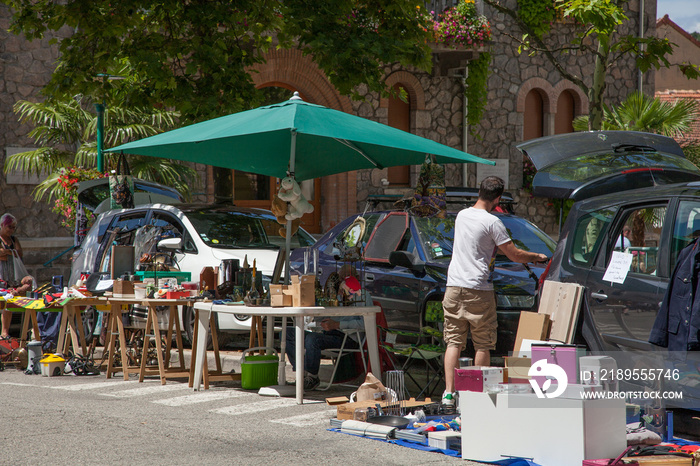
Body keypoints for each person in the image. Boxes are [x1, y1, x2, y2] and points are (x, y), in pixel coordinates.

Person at [441, 177, 548, 407]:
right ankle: (479, 395)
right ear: (498, 199)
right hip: (478, 288)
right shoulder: (492, 222)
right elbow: (514, 255)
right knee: (482, 343)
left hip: (453, 286)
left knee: (454, 342)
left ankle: (449, 394)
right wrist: (537, 256)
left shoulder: (461, 215)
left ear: (480, 192)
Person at [285, 268, 366, 390]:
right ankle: (303, 373)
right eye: (340, 279)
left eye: (346, 278)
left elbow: (364, 323)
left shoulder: (362, 295)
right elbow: (321, 319)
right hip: (330, 333)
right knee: (288, 333)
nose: (342, 282)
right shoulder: (335, 296)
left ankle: (312, 377)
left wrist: (338, 325)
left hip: (348, 338)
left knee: (313, 339)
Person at [0, 213, 34, 339]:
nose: (11, 230)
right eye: (9, 227)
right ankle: (3, 332)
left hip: (13, 275)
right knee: (3, 302)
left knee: (9, 303)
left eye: (14, 227)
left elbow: (19, 253)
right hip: (2, 275)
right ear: (2, 226)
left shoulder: (14, 240)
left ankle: (6, 332)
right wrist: (10, 253)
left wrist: (7, 253)